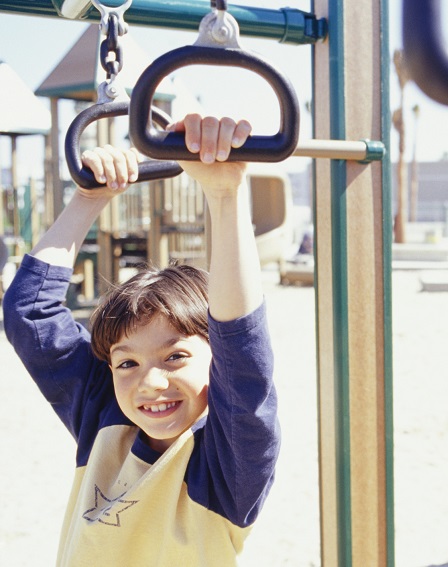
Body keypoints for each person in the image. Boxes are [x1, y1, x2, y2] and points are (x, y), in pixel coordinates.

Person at [2, 114, 280, 565]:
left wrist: (225, 197)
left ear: (216, 361)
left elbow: (243, 352)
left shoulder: (226, 464)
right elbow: (30, 313)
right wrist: (88, 200)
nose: (149, 383)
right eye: (127, 363)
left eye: (174, 357)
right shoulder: (106, 419)